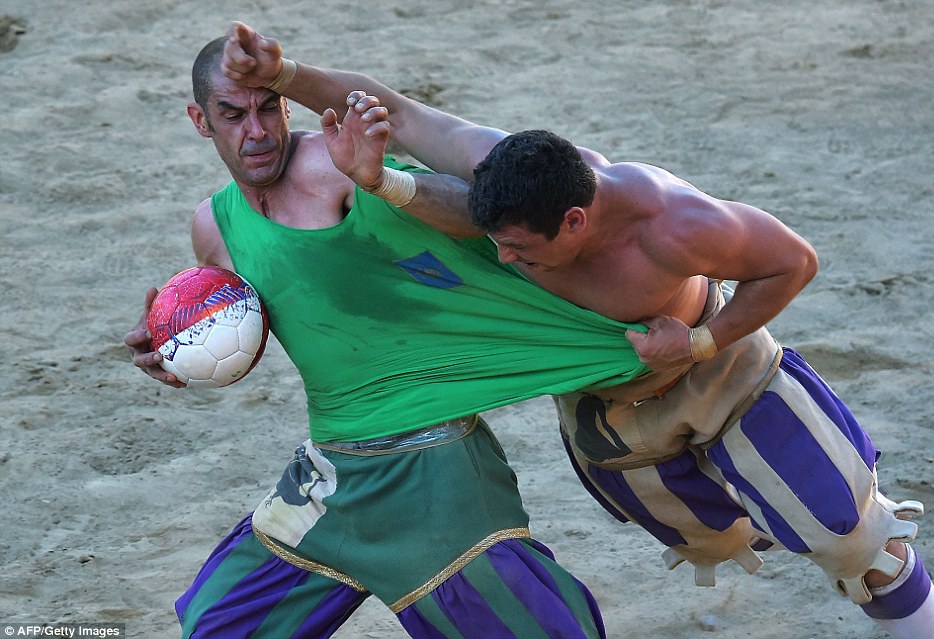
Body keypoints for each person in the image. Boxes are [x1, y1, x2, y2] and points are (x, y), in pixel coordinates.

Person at [218, 21, 934, 639]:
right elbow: (400, 112)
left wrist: (699, 342)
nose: (505, 263)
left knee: (852, 537)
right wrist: (285, 76)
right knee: (723, 537)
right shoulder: (499, 169)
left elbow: (793, 262)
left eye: (521, 251)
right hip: (609, 415)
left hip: (722, 371)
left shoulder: (671, 222)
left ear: (574, 222)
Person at [123, 28, 684, 639]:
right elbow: (251, 323)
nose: (256, 132)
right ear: (200, 121)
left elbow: (478, 211)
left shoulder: (329, 163)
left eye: (267, 109)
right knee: (217, 626)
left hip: (433, 474)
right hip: (331, 479)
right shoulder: (213, 226)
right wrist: (176, 350)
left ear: (286, 107)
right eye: (233, 115)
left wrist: (382, 182)